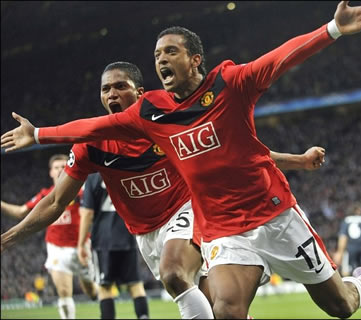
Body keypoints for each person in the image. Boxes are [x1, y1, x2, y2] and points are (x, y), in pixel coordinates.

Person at [1, 2, 361, 318]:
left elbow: (279, 58)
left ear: (195, 59)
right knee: (225, 309)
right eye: (157, 54)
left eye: (171, 51)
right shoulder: (149, 113)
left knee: (340, 306)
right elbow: (89, 129)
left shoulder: (230, 85)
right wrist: (38, 135)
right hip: (222, 228)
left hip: (273, 215)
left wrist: (332, 30)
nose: (161, 60)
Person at [1, 60, 326, 318]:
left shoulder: (166, 121)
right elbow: (57, 201)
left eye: (120, 87)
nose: (112, 95)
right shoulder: (92, 144)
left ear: (140, 93)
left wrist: (297, 161)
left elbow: (241, 152)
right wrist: (8, 238)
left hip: (189, 211)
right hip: (145, 233)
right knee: (215, 306)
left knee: (173, 273)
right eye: (105, 90)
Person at [1, 154, 97, 319]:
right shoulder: (45, 195)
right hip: (56, 247)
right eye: (56, 167)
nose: (60, 170)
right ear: (50, 173)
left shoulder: (82, 193)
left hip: (81, 247)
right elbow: (20, 212)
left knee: (90, 289)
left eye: (63, 166)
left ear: (69, 168)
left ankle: (95, 293)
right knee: (64, 292)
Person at [78, 172, 149, 319]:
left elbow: (88, 213)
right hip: (128, 235)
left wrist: (81, 243)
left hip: (103, 239)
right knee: (135, 285)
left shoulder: (93, 177)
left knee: (104, 287)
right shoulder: (123, 170)